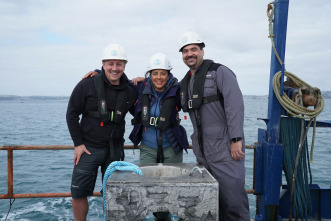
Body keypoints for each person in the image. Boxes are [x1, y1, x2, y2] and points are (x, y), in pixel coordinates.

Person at [178, 31, 250, 220]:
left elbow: (235, 106)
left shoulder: (220, 72)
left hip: (226, 148)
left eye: (194, 49)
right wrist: (142, 79)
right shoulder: (185, 82)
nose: (189, 54)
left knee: (233, 201)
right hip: (202, 152)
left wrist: (236, 139)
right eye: (185, 51)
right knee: (210, 203)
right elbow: (161, 87)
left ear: (202, 51)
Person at [66, 43, 137, 221]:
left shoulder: (130, 90)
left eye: (119, 64)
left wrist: (144, 80)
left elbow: (140, 111)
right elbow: (71, 114)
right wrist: (78, 144)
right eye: (110, 63)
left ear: (125, 65)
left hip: (115, 149)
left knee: (113, 194)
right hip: (87, 149)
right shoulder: (86, 85)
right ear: (103, 64)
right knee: (79, 192)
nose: (114, 68)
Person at [129, 53, 189, 163]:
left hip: (172, 147)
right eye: (155, 73)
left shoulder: (177, 90)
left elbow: (193, 81)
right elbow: (116, 81)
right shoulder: (140, 87)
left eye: (163, 73)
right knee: (147, 180)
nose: (159, 77)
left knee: (172, 180)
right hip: (147, 148)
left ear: (168, 75)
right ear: (150, 74)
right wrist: (99, 72)